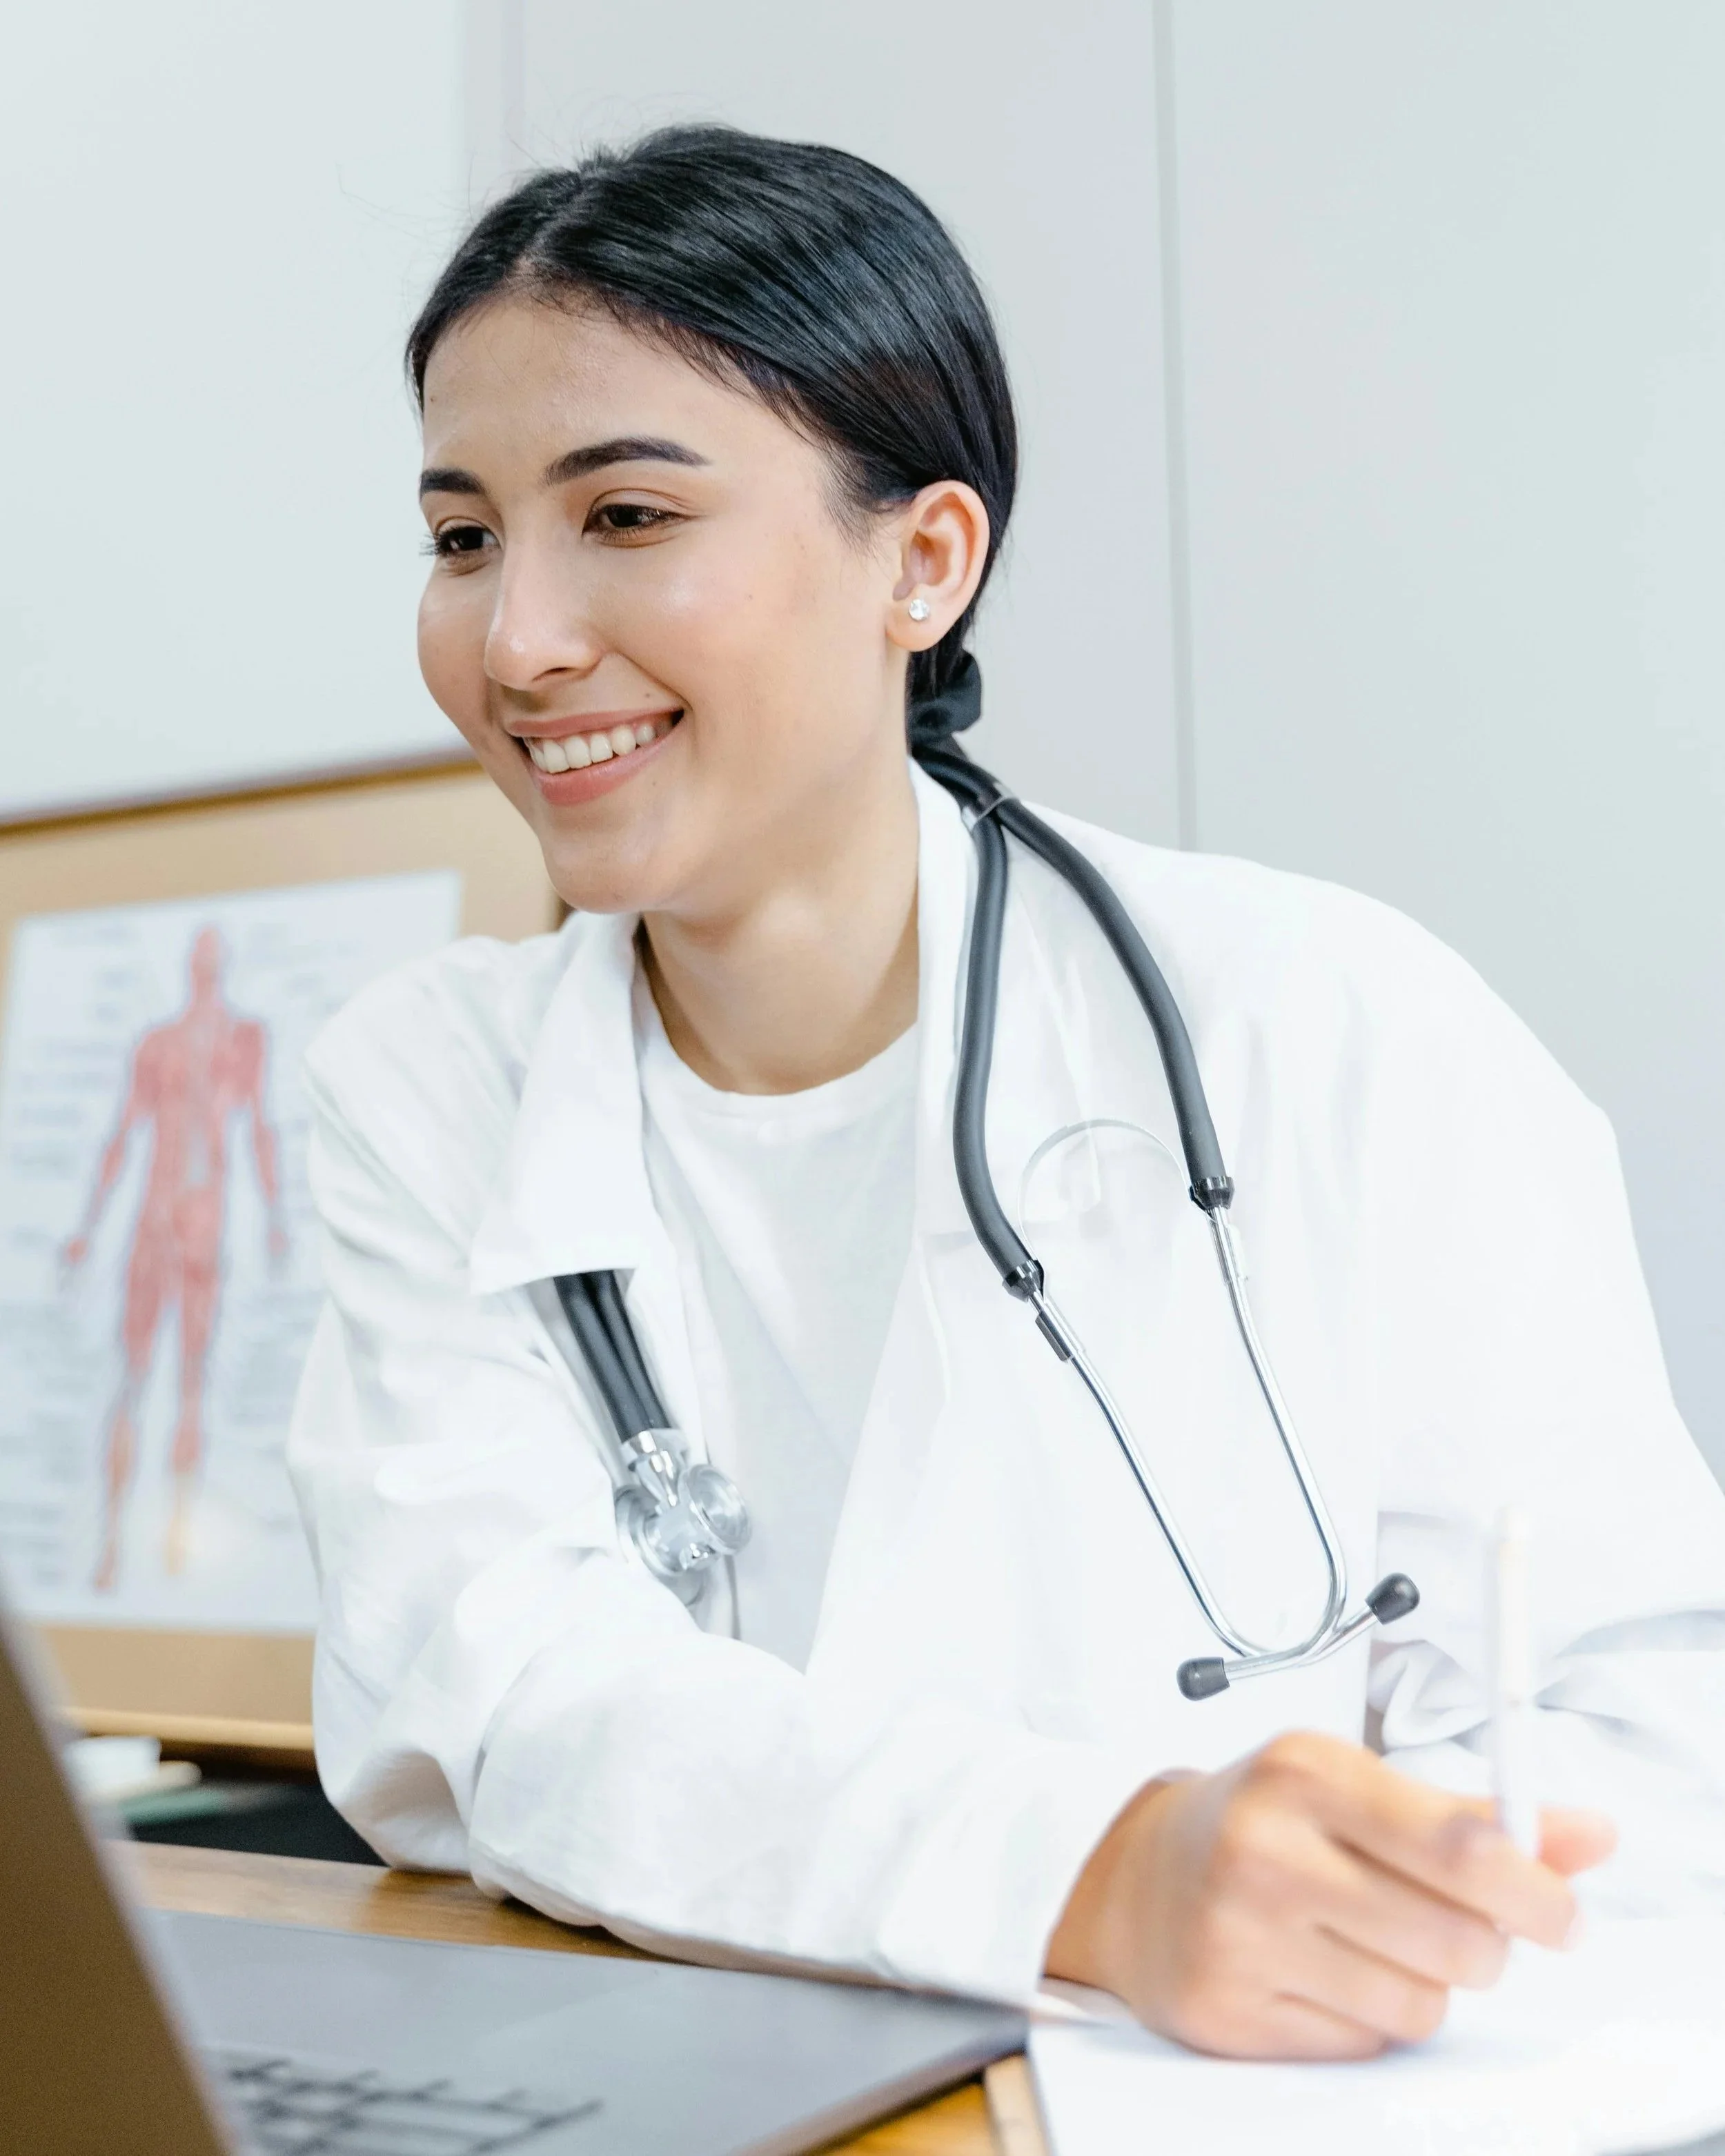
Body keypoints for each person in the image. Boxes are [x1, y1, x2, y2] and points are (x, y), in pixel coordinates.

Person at [288, 126, 1725, 2059]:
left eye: (623, 516)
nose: (518, 639)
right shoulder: (428, 1085)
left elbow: (1633, 1731)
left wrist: (1383, 1902)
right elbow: (493, 1697)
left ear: (925, 560)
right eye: (463, 536)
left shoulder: (1326, 1025)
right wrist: (1097, 1870)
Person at [66, 924, 286, 1587]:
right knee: (132, 1376)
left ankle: (176, 1539)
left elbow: (261, 1129)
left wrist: (275, 1216)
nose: (204, 966)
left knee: (192, 1377)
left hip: (203, 1217)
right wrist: (87, 1227)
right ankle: (108, 1541)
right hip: (154, 1216)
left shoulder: (244, 1041)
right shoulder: (157, 1044)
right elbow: (123, 1132)